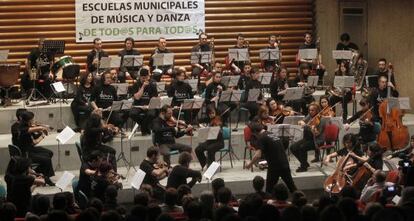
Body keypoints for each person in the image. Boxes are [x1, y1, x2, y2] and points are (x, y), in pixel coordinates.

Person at [245, 122, 297, 193]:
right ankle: (300, 201)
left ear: (254, 132)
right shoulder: (272, 134)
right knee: (292, 187)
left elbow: (258, 155)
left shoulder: (261, 138)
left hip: (274, 167)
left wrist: (249, 164)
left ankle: (269, 203)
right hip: (284, 164)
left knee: (269, 190)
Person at [17, 111, 55, 185]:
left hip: (30, 148)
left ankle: (39, 172)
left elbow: (34, 136)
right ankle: (46, 178)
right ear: (28, 120)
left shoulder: (27, 127)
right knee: (46, 159)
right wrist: (43, 133)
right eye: (32, 119)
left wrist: (40, 132)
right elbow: (34, 142)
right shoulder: (23, 129)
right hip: (26, 153)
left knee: (49, 153)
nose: (33, 121)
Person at [290, 103, 326, 172]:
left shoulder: (322, 120)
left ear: (317, 110)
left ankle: (303, 167)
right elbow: (303, 121)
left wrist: (309, 128)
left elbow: (317, 133)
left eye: (312, 110)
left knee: (302, 147)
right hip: (307, 139)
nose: (310, 112)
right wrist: (301, 122)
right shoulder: (310, 116)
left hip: (317, 141)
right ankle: (305, 163)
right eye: (309, 110)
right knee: (293, 147)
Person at [129, 67, 158, 136]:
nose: (144, 79)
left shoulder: (152, 84)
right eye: (143, 78)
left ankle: (143, 127)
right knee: (132, 114)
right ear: (140, 77)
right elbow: (137, 97)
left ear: (148, 76)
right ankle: (145, 127)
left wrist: (149, 106)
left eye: (146, 77)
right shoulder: (136, 84)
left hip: (149, 106)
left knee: (152, 114)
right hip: (138, 105)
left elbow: (154, 98)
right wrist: (143, 86)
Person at [195, 105, 225, 169]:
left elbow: (219, 126)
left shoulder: (218, 118)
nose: (212, 115)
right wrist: (202, 126)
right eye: (210, 113)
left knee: (210, 149)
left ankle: (211, 168)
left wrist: (217, 127)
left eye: (213, 113)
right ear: (208, 114)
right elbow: (197, 121)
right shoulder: (208, 119)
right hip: (209, 141)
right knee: (198, 149)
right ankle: (205, 164)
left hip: (219, 142)